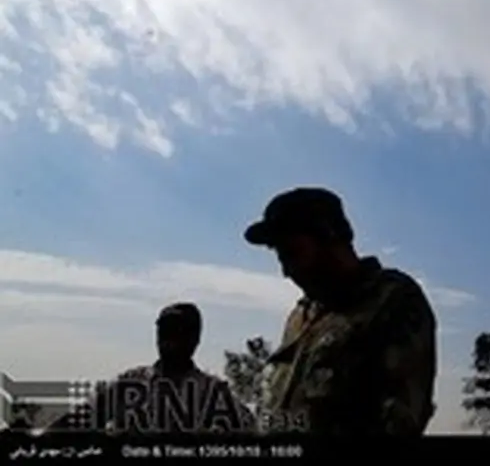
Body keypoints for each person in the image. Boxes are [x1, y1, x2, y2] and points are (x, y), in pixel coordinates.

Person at [244, 186, 437, 435]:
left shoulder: (391, 301)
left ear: (330, 237)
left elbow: (399, 420)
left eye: (293, 253)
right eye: (280, 257)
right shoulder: (300, 317)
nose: (286, 271)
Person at [47, 303, 251, 433]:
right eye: (164, 330)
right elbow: (81, 419)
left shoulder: (213, 392)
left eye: (177, 331)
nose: (168, 338)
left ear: (195, 339)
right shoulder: (131, 383)